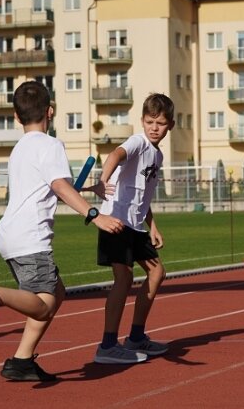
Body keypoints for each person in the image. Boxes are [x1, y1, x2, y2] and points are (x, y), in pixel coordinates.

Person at [0, 81, 124, 382]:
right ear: (50, 111)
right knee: (43, 305)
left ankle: (22, 361)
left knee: (56, 292)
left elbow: (51, 188)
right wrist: (94, 214)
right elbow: (58, 186)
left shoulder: (19, 149)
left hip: (10, 234)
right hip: (30, 237)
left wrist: (89, 188)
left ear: (15, 116)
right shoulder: (51, 145)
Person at [91, 93, 175, 364]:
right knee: (124, 279)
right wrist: (102, 180)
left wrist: (153, 226)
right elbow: (116, 154)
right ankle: (107, 345)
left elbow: (143, 194)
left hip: (135, 225)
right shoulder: (138, 142)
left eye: (160, 123)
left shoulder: (157, 155)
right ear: (142, 121)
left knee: (157, 272)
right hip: (115, 220)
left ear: (170, 125)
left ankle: (137, 337)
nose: (154, 127)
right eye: (150, 121)